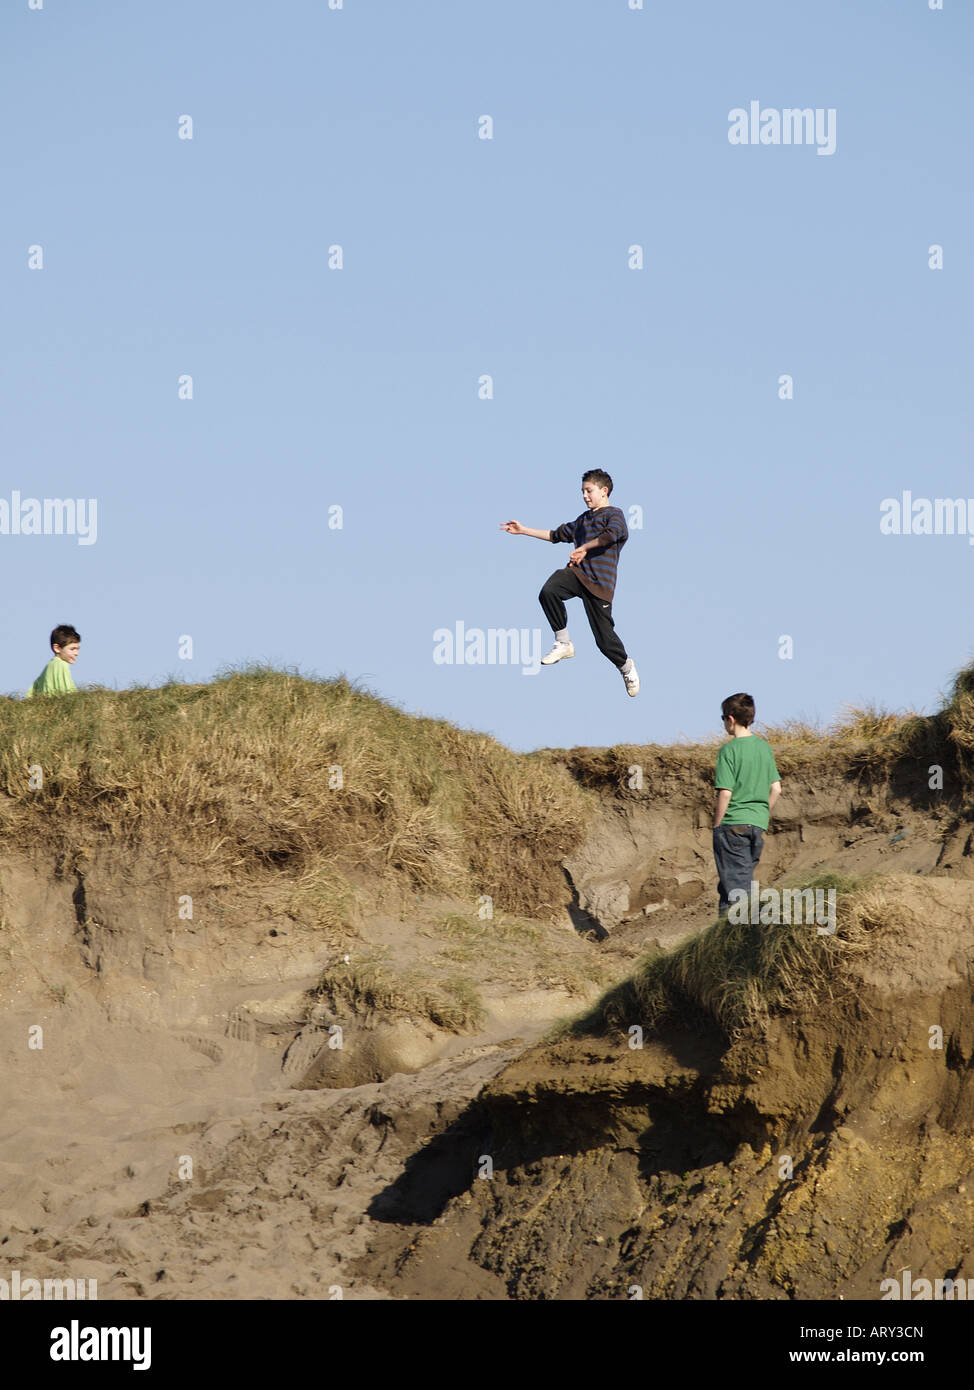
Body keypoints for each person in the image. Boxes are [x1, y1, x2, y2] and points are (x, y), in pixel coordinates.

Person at [500, 469, 639, 696]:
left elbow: (610, 536)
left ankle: (626, 666)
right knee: (549, 590)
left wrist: (584, 548)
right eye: (582, 491)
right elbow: (556, 535)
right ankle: (563, 643)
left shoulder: (615, 515)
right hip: (578, 574)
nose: (585, 495)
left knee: (604, 641)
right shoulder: (582, 520)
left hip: (600, 585)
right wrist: (524, 530)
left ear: (604, 491)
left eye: (589, 491)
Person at [713, 692, 781, 918]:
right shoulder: (764, 748)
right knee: (732, 885)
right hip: (757, 825)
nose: (723, 723)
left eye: (723, 718)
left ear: (731, 719)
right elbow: (776, 789)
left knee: (737, 894)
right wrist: (760, 813)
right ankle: (721, 943)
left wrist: (717, 824)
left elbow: (725, 793)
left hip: (733, 826)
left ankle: (740, 939)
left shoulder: (728, 751)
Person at [25, 624, 81, 698]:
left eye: (78, 649)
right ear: (57, 648)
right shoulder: (61, 664)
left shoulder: (49, 666)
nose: (76, 653)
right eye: (72, 649)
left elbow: (31, 694)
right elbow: (69, 695)